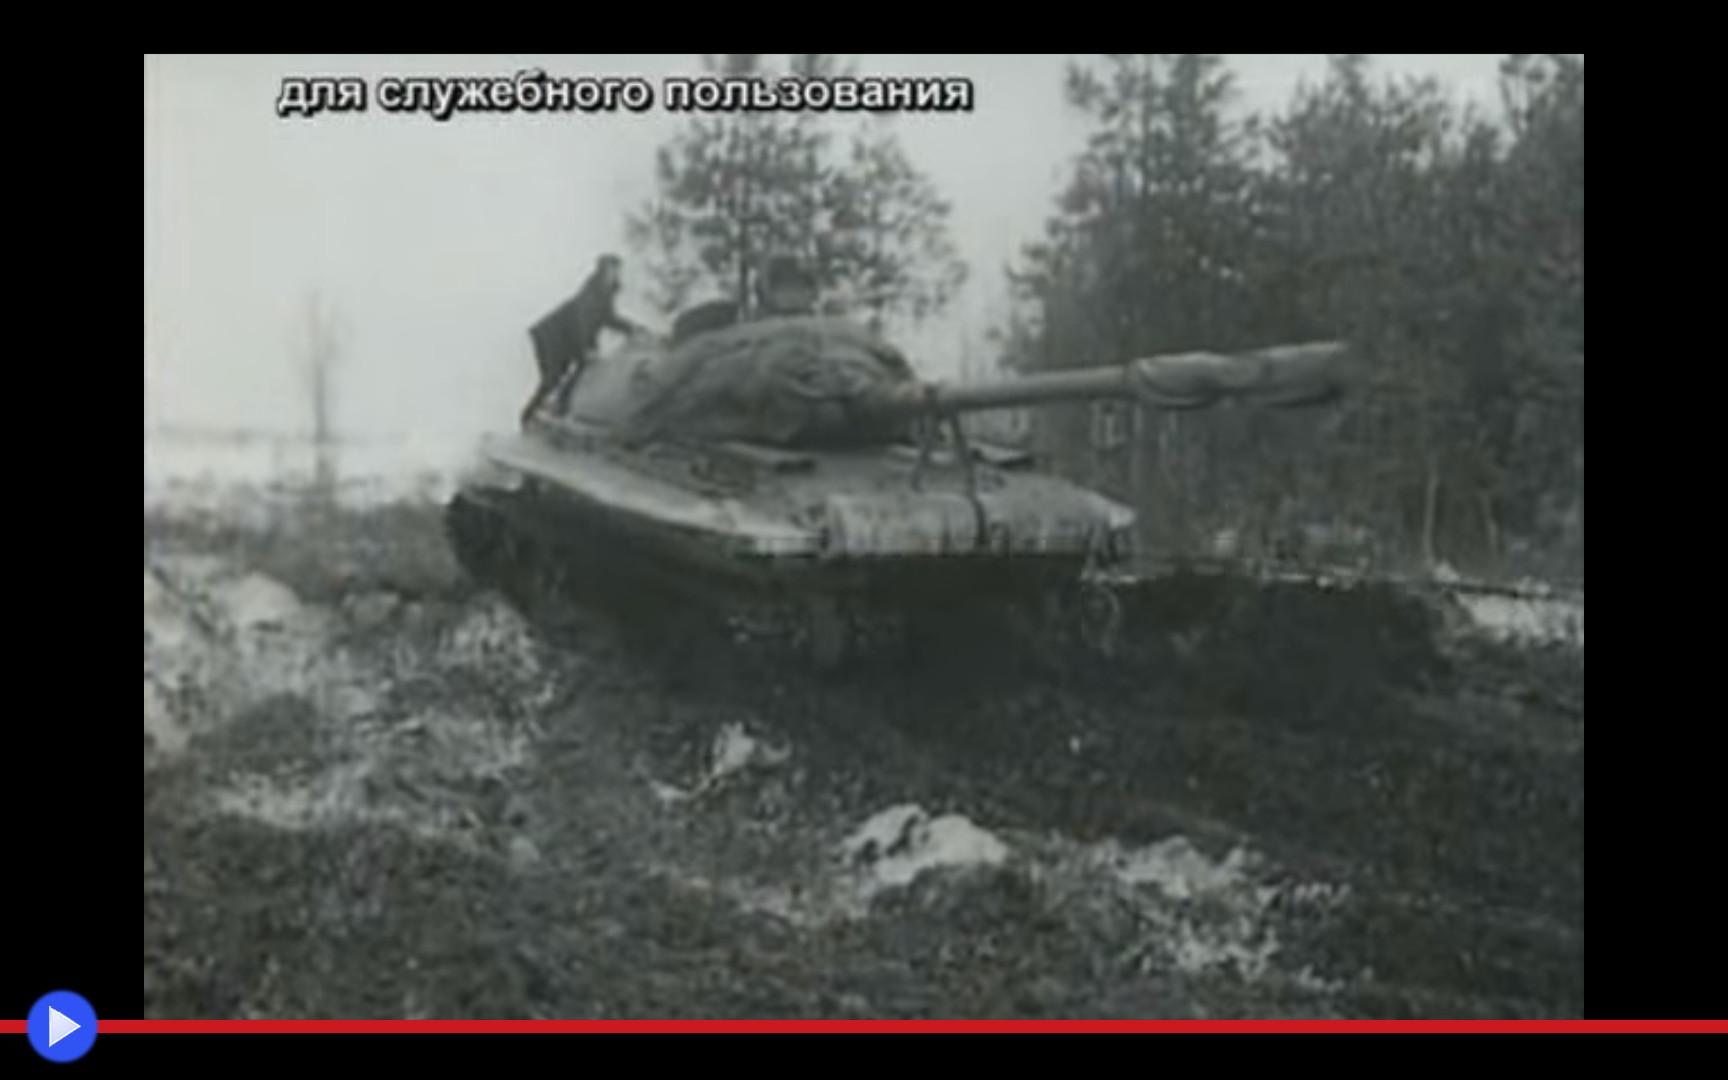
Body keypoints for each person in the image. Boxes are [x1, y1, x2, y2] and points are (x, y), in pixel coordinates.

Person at [522, 254, 642, 425]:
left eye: (616, 270)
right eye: (610, 270)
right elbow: (582, 322)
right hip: (551, 336)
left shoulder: (605, 294)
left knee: (580, 367)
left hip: (567, 338)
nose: (614, 274)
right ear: (602, 271)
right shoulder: (591, 293)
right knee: (553, 376)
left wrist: (631, 329)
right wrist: (586, 349)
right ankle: (529, 416)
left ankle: (560, 407)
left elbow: (608, 317)